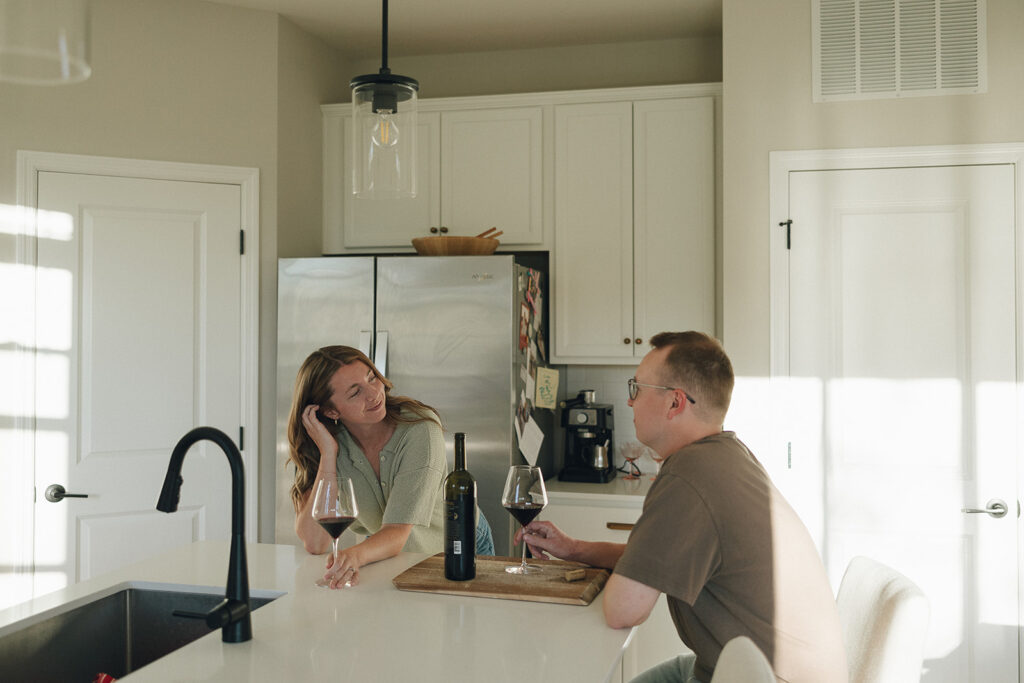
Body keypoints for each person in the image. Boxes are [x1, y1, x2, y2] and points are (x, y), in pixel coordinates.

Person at [518, 332, 847, 683]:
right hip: (736, 668)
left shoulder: (690, 475)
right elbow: (654, 561)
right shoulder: (728, 454)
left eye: (637, 388)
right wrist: (574, 549)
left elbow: (622, 609)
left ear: (674, 403)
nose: (630, 402)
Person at [288, 345, 494, 589]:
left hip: (455, 544)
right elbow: (315, 543)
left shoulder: (419, 429)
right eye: (355, 393)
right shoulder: (329, 442)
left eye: (372, 378)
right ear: (331, 410)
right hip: (386, 552)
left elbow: (397, 531)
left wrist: (355, 555)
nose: (374, 393)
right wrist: (328, 454)